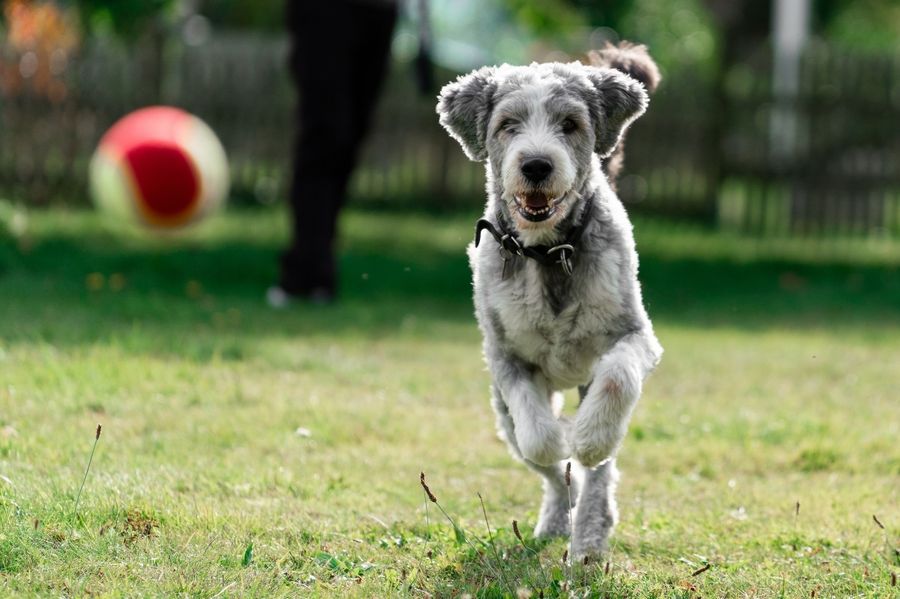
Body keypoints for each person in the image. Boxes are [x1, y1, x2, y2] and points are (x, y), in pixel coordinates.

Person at [268, 0, 399, 307]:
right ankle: (306, 272)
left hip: (380, 11)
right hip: (326, 13)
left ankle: (316, 266)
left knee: (349, 141)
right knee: (325, 135)